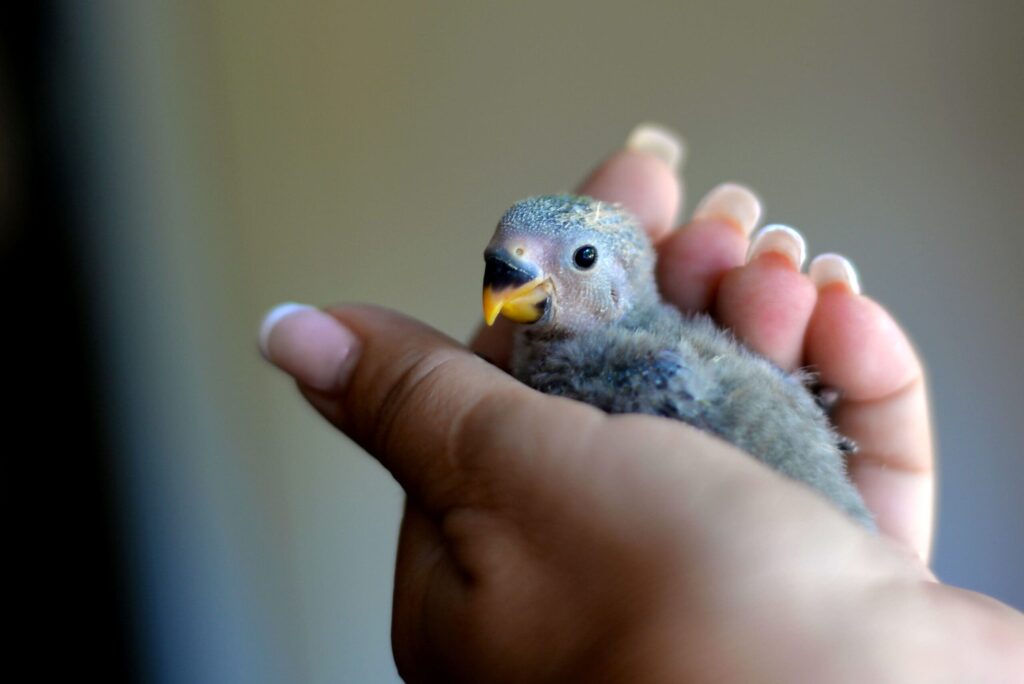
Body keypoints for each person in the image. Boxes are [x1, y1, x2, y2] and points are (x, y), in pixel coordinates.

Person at [260, 125, 1024, 682]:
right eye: (504, 257)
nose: (513, 270)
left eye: (579, 260)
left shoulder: (640, 367)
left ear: (622, 281)